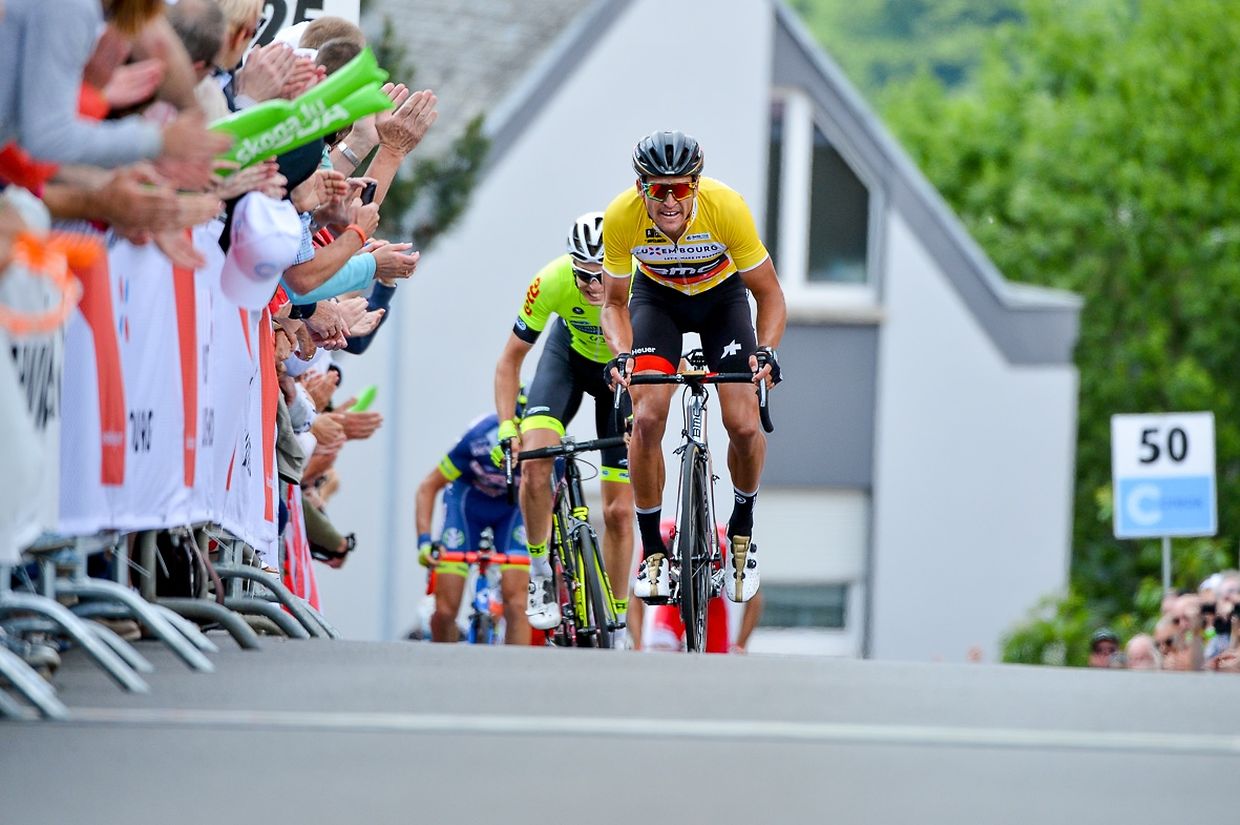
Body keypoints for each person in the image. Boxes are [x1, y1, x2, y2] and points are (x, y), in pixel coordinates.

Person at [601, 130, 786, 604]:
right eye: (656, 188)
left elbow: (768, 293)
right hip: (657, 301)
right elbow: (614, 302)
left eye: (679, 188)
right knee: (645, 418)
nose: (667, 200)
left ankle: (741, 533)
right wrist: (623, 354)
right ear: (640, 187)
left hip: (721, 301)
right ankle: (655, 554)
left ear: (696, 186)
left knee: (743, 423)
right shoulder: (621, 216)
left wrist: (766, 351)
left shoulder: (727, 209)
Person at [494, 212, 634, 632]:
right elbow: (510, 361)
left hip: (621, 376)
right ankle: (539, 573)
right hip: (567, 363)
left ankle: (619, 619)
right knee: (535, 464)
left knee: (619, 511)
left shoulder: (638, 282)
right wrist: (507, 427)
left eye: (600, 277)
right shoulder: (551, 280)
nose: (593, 286)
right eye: (583, 276)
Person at [414, 401, 530, 645]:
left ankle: (518, 676)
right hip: (467, 506)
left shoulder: (548, 443)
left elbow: (549, 501)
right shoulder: (479, 438)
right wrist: (424, 541)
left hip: (512, 511)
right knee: (446, 610)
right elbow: (428, 487)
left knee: (517, 604)